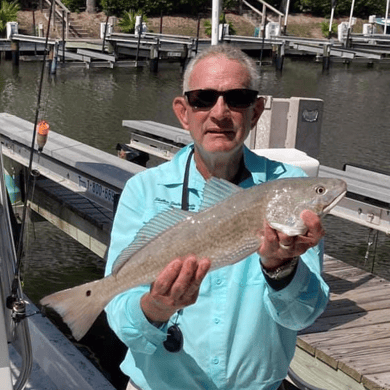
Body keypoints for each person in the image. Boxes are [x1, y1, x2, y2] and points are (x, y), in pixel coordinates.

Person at [105, 44, 329, 390]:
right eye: (203, 98)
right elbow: (120, 319)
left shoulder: (291, 189)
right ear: (183, 111)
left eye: (237, 98)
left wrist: (282, 270)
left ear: (256, 111)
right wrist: (155, 308)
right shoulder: (142, 191)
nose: (220, 112)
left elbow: (304, 314)